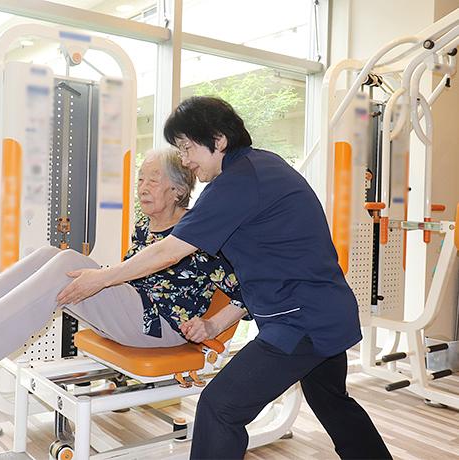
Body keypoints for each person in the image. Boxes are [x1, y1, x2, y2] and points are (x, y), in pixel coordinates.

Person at [57, 97, 392, 459]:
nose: (185, 160)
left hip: (301, 323)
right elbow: (258, 268)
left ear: (218, 140)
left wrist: (101, 278)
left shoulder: (238, 182)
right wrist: (215, 324)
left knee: (220, 409)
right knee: (333, 404)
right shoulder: (262, 166)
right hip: (326, 313)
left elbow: (169, 251)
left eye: (187, 148)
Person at [0, 147, 246, 372]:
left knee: (67, 263)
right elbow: (132, 278)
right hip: (136, 311)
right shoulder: (145, 227)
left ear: (178, 190)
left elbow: (246, 291)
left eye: (153, 180)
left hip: (161, 326)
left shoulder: (200, 232)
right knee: (48, 255)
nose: (142, 187)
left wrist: (213, 326)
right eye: (140, 179)